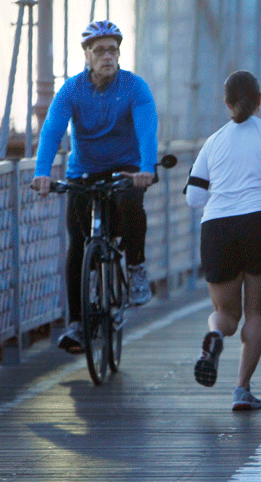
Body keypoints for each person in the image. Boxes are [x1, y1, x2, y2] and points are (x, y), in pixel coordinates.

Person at [32, 20, 158, 353]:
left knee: (132, 200)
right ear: (87, 55)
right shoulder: (71, 91)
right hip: (84, 169)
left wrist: (147, 168)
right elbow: (51, 132)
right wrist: (43, 172)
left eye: (113, 50)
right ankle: (76, 323)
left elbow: (147, 131)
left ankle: (136, 268)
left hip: (126, 167)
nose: (107, 56)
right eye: (99, 50)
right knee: (77, 243)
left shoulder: (134, 87)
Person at [187, 71, 261, 411]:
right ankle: (241, 388)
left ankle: (215, 336)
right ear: (259, 99)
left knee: (225, 313)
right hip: (260, 225)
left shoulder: (213, 141)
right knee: (256, 314)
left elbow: (193, 197)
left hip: (217, 228)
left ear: (226, 103)